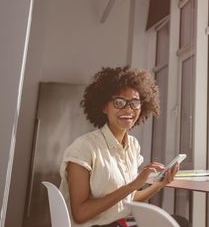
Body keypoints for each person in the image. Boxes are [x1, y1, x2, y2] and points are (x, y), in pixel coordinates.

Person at [59, 67, 186, 227]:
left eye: (134, 103)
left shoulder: (132, 145)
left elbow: (128, 199)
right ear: (104, 107)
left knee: (179, 222)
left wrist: (159, 184)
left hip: (120, 223)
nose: (128, 109)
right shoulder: (83, 148)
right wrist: (134, 184)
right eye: (119, 102)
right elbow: (80, 214)